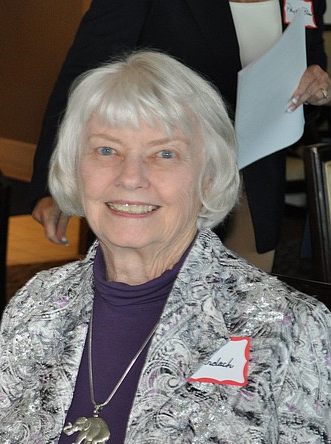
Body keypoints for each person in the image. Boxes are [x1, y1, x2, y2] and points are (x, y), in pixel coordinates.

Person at [0, 51, 331, 444]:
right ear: (74, 169)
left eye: (165, 154)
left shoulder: (288, 328)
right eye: (107, 150)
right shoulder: (36, 305)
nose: (130, 177)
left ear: (208, 176)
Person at [29, 0, 331, 272]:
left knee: (242, 312)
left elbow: (308, 65)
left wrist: (318, 89)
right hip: (157, 181)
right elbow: (85, 75)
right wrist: (52, 182)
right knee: (152, 311)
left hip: (255, 179)